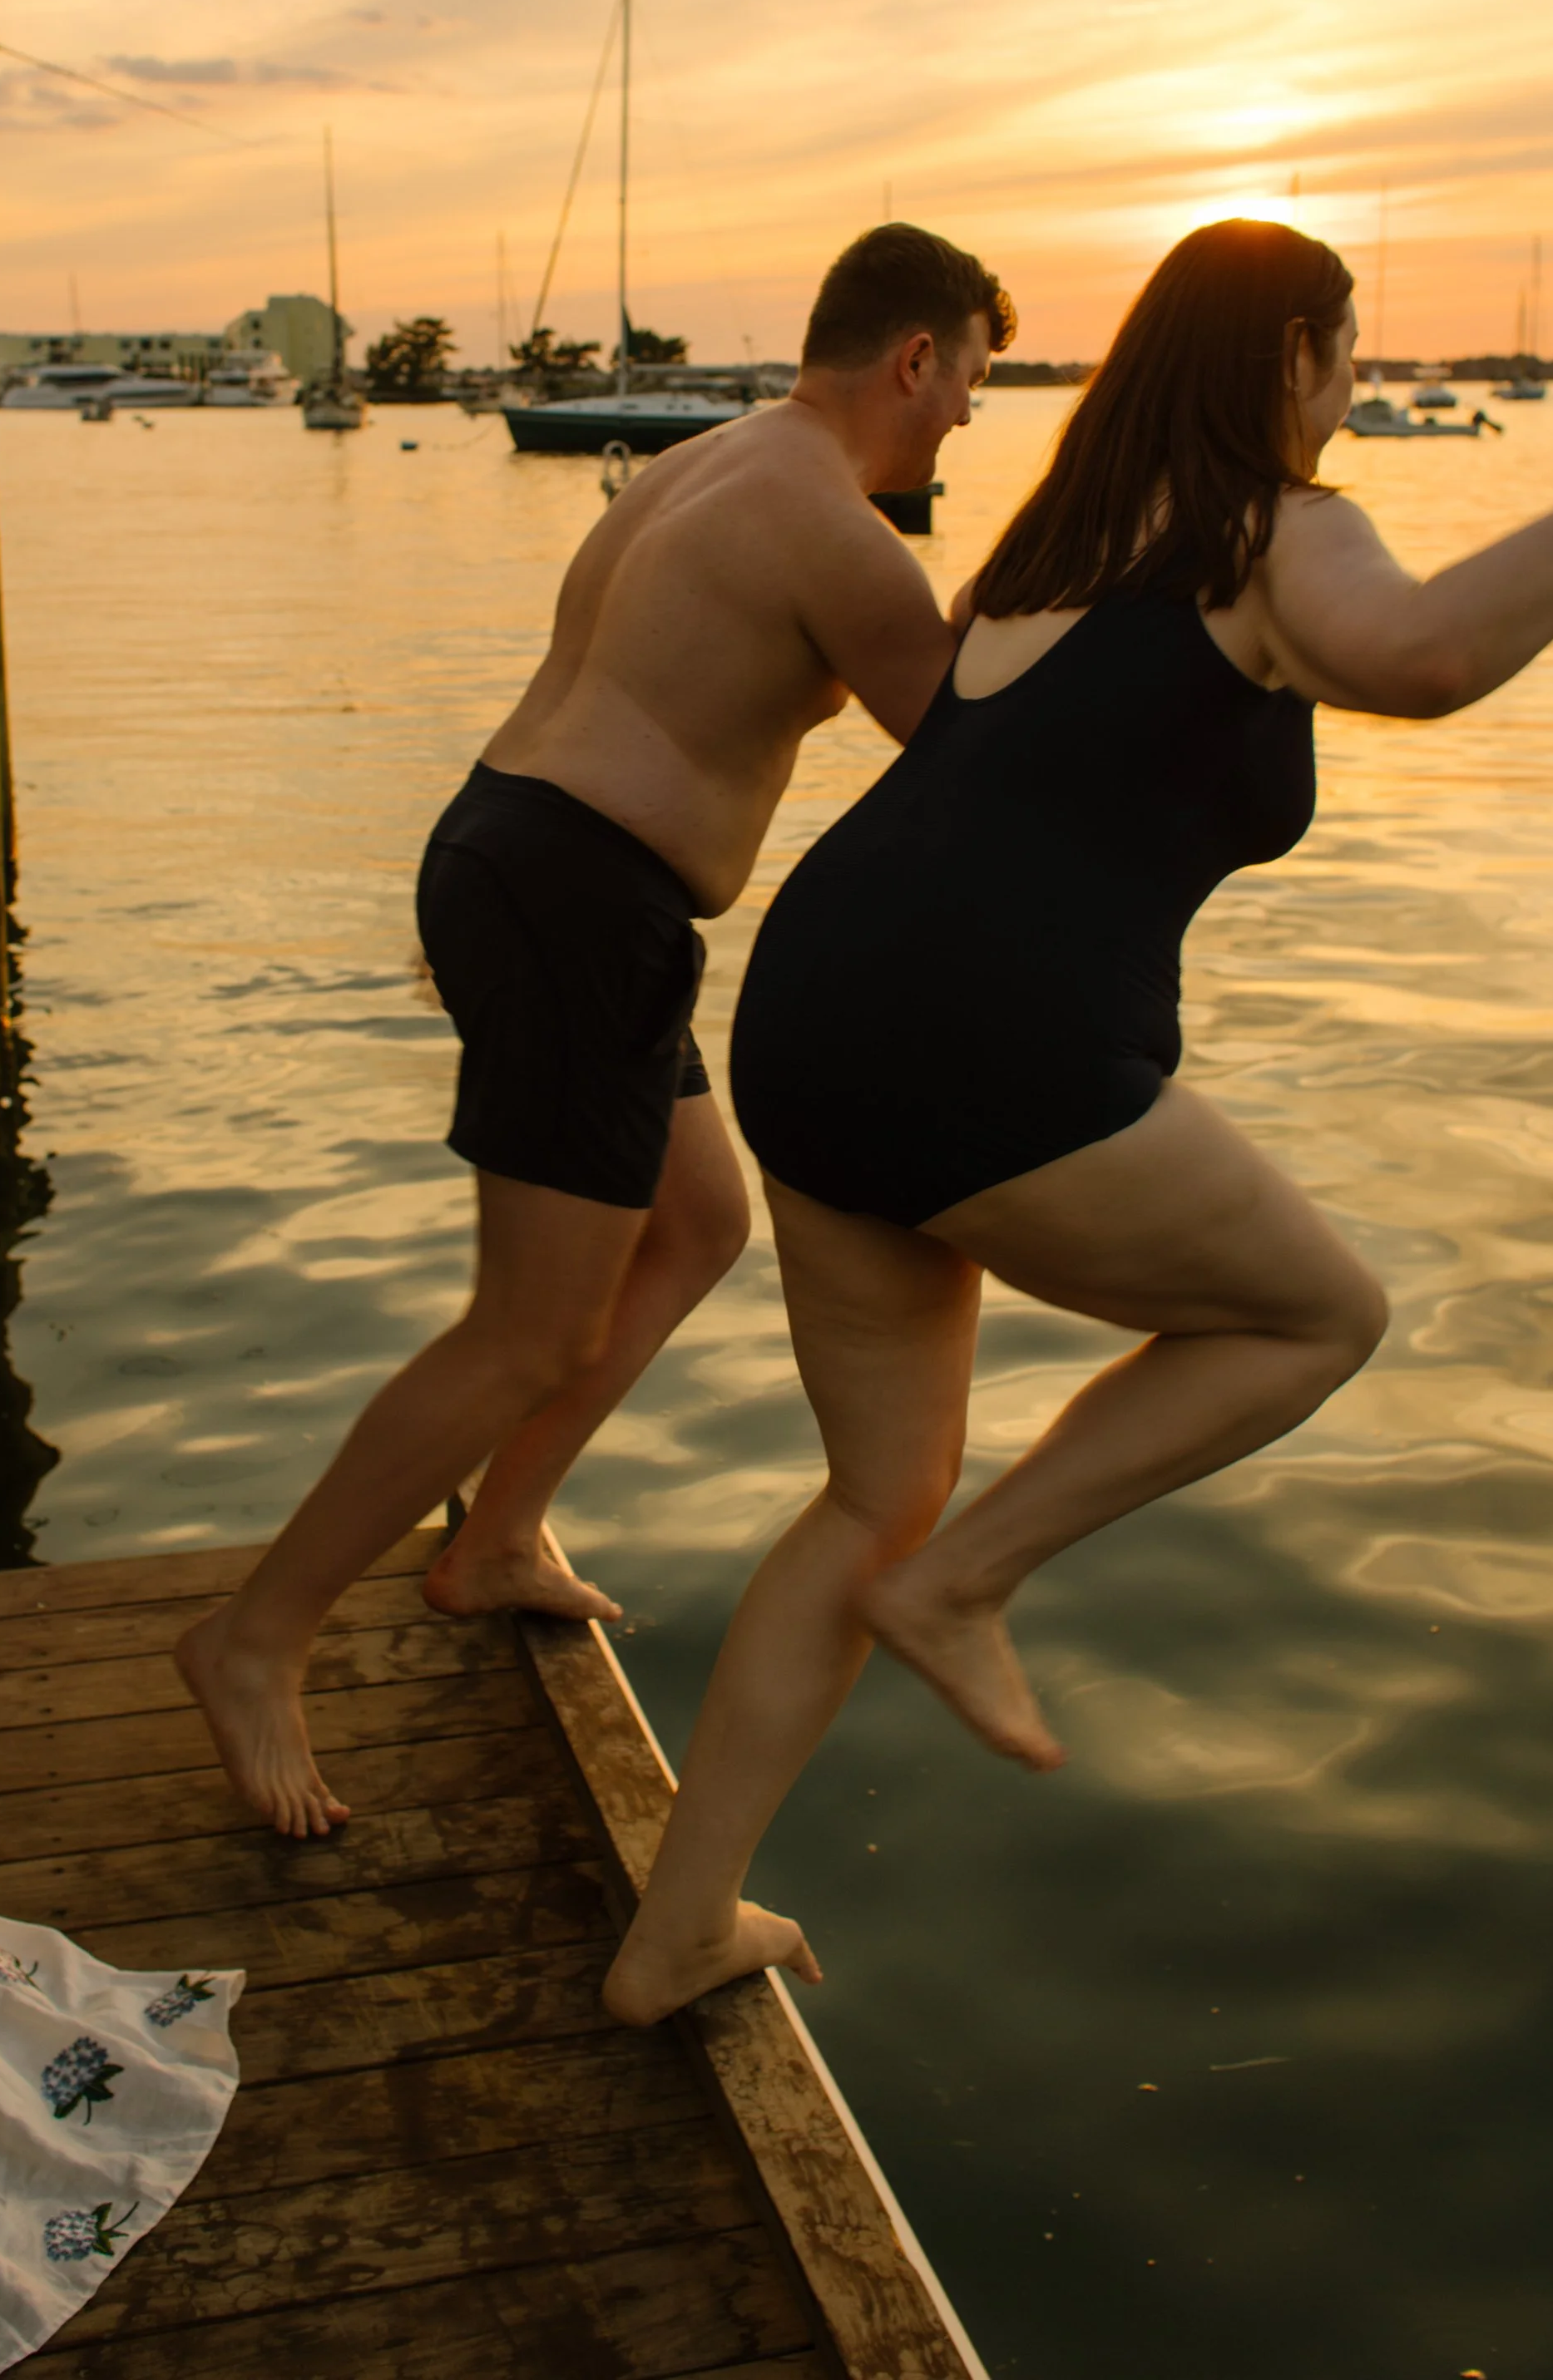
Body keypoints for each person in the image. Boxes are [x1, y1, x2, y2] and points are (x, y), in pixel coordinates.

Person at [603, 215, 1553, 2025]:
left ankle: (678, 1929)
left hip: (817, 1012)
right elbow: (1417, 660)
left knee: (868, 1497)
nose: (1349, 397)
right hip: (988, 1041)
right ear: (1289, 356)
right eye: (1344, 360)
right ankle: (967, 1585)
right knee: (1313, 1314)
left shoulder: (1051, 541)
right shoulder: (1272, 530)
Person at [181, 223, 1013, 1834]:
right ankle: (252, 1639)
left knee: (694, 1222)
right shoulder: (827, 530)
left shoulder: (709, 462)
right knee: (530, 1330)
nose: (969, 416)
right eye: (971, 380)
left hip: (523, 860)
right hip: (569, 898)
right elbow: (967, 746)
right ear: (914, 356)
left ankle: (494, 1539)